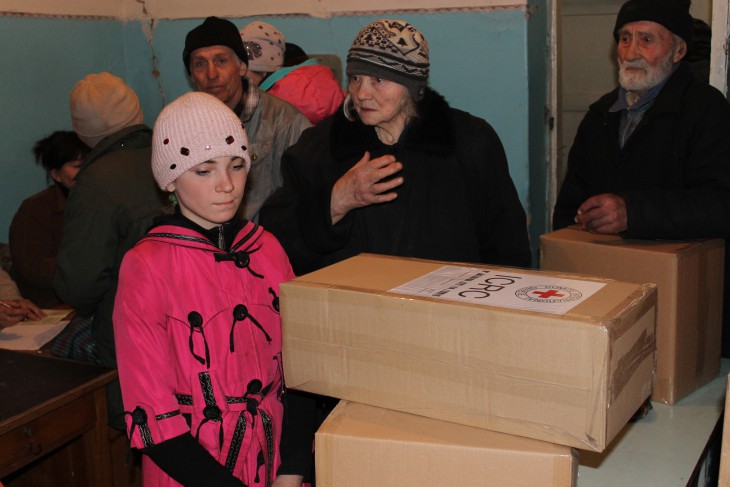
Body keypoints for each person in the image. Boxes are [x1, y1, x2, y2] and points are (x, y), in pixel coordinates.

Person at [113, 91, 303, 487]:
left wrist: (291, 469)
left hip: (276, 460)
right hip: (191, 471)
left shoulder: (267, 248)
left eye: (236, 166)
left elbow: (302, 370)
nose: (226, 185)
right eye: (204, 171)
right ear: (169, 179)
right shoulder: (147, 265)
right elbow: (151, 411)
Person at [260, 19, 532, 276]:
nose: (362, 93)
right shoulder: (320, 146)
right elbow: (275, 242)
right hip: (353, 314)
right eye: (355, 78)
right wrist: (335, 202)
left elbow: (506, 241)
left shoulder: (468, 141)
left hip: (447, 314)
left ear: (412, 86)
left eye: (378, 80)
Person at [552, 0, 730, 355]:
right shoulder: (600, 116)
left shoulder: (707, 112)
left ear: (678, 50)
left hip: (682, 304)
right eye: (624, 38)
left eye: (647, 40)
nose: (631, 52)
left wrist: (633, 212)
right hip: (606, 300)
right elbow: (566, 210)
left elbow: (721, 205)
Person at [54, 72, 168, 426]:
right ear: (135, 109)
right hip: (189, 324)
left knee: (139, 430)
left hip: (131, 336)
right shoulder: (171, 154)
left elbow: (80, 283)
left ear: (82, 132)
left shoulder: (95, 183)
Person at [183, 16, 310, 221]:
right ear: (191, 74)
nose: (211, 73)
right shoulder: (184, 124)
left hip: (265, 243)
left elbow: (308, 202)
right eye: (200, 64)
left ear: (242, 67)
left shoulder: (285, 122)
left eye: (221, 61)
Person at [9, 131, 90, 308]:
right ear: (56, 175)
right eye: (77, 165)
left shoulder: (101, 203)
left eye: (89, 164)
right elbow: (32, 269)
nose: (85, 172)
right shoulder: (34, 210)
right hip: (48, 309)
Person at [240, 21, 345, 124]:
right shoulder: (327, 82)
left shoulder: (269, 107)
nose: (239, 81)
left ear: (263, 72)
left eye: (243, 75)